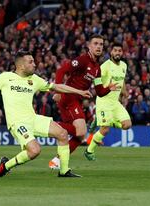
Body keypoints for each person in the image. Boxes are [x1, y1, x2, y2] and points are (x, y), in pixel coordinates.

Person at [0, 51, 92, 177]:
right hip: (17, 122)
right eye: (30, 62)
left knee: (62, 133)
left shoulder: (34, 79)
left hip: (33, 119)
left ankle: (64, 171)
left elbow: (57, 87)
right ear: (21, 65)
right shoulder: (5, 77)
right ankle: (5, 166)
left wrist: (79, 91)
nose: (34, 64)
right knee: (34, 151)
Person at [49, 34, 117, 168]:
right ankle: (49, 125)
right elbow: (61, 71)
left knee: (79, 137)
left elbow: (99, 91)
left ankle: (56, 161)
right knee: (81, 132)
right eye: (96, 44)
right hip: (69, 98)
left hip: (76, 100)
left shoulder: (97, 68)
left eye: (101, 44)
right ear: (89, 46)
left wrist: (109, 88)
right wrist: (58, 90)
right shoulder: (82, 60)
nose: (98, 47)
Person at [84, 42, 132, 161]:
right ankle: (89, 150)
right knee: (105, 129)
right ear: (111, 52)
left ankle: (99, 121)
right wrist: (105, 88)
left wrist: (124, 92)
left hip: (115, 102)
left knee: (127, 125)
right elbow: (96, 81)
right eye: (115, 50)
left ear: (122, 53)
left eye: (119, 51)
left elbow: (122, 81)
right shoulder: (105, 66)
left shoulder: (124, 66)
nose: (117, 53)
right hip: (104, 101)